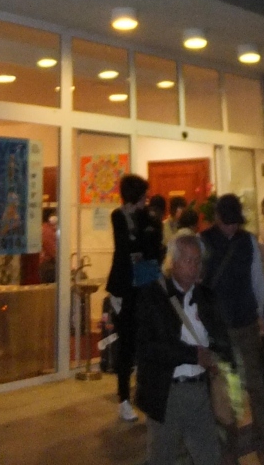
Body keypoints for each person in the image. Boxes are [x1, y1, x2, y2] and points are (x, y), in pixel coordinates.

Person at [136, 232, 233, 465]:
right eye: (188, 260)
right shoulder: (153, 296)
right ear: (173, 262)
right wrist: (192, 355)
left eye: (198, 261)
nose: (194, 267)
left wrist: (217, 357)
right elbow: (147, 346)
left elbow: (221, 337)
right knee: (162, 457)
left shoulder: (205, 297)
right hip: (167, 391)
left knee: (209, 456)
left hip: (199, 389)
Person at [201, 193, 264, 465]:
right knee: (225, 395)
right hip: (218, 330)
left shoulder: (248, 241)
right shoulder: (203, 241)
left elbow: (257, 280)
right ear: (217, 218)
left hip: (246, 323)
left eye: (235, 222)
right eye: (227, 222)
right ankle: (228, 453)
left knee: (256, 387)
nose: (232, 227)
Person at [106, 173, 149, 422]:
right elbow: (124, 247)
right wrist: (138, 246)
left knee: (142, 339)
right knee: (126, 343)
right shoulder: (118, 216)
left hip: (141, 285)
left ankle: (141, 393)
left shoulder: (143, 217)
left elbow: (148, 246)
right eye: (143, 196)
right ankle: (123, 399)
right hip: (123, 288)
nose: (146, 200)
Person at [39, 207, 57, 283]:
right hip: (47, 265)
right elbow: (52, 251)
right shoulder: (47, 230)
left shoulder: (43, 228)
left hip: (44, 265)